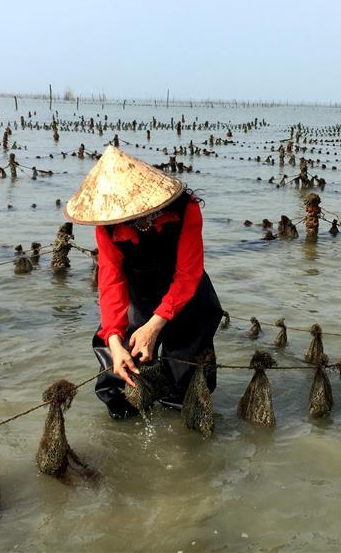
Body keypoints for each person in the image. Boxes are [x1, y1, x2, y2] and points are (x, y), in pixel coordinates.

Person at [63, 146, 223, 419]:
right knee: (120, 360)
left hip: (187, 290)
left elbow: (188, 272)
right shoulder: (108, 225)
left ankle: (180, 415)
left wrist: (156, 324)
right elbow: (111, 280)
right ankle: (123, 419)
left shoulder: (187, 209)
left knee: (186, 369)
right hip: (139, 290)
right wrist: (113, 338)